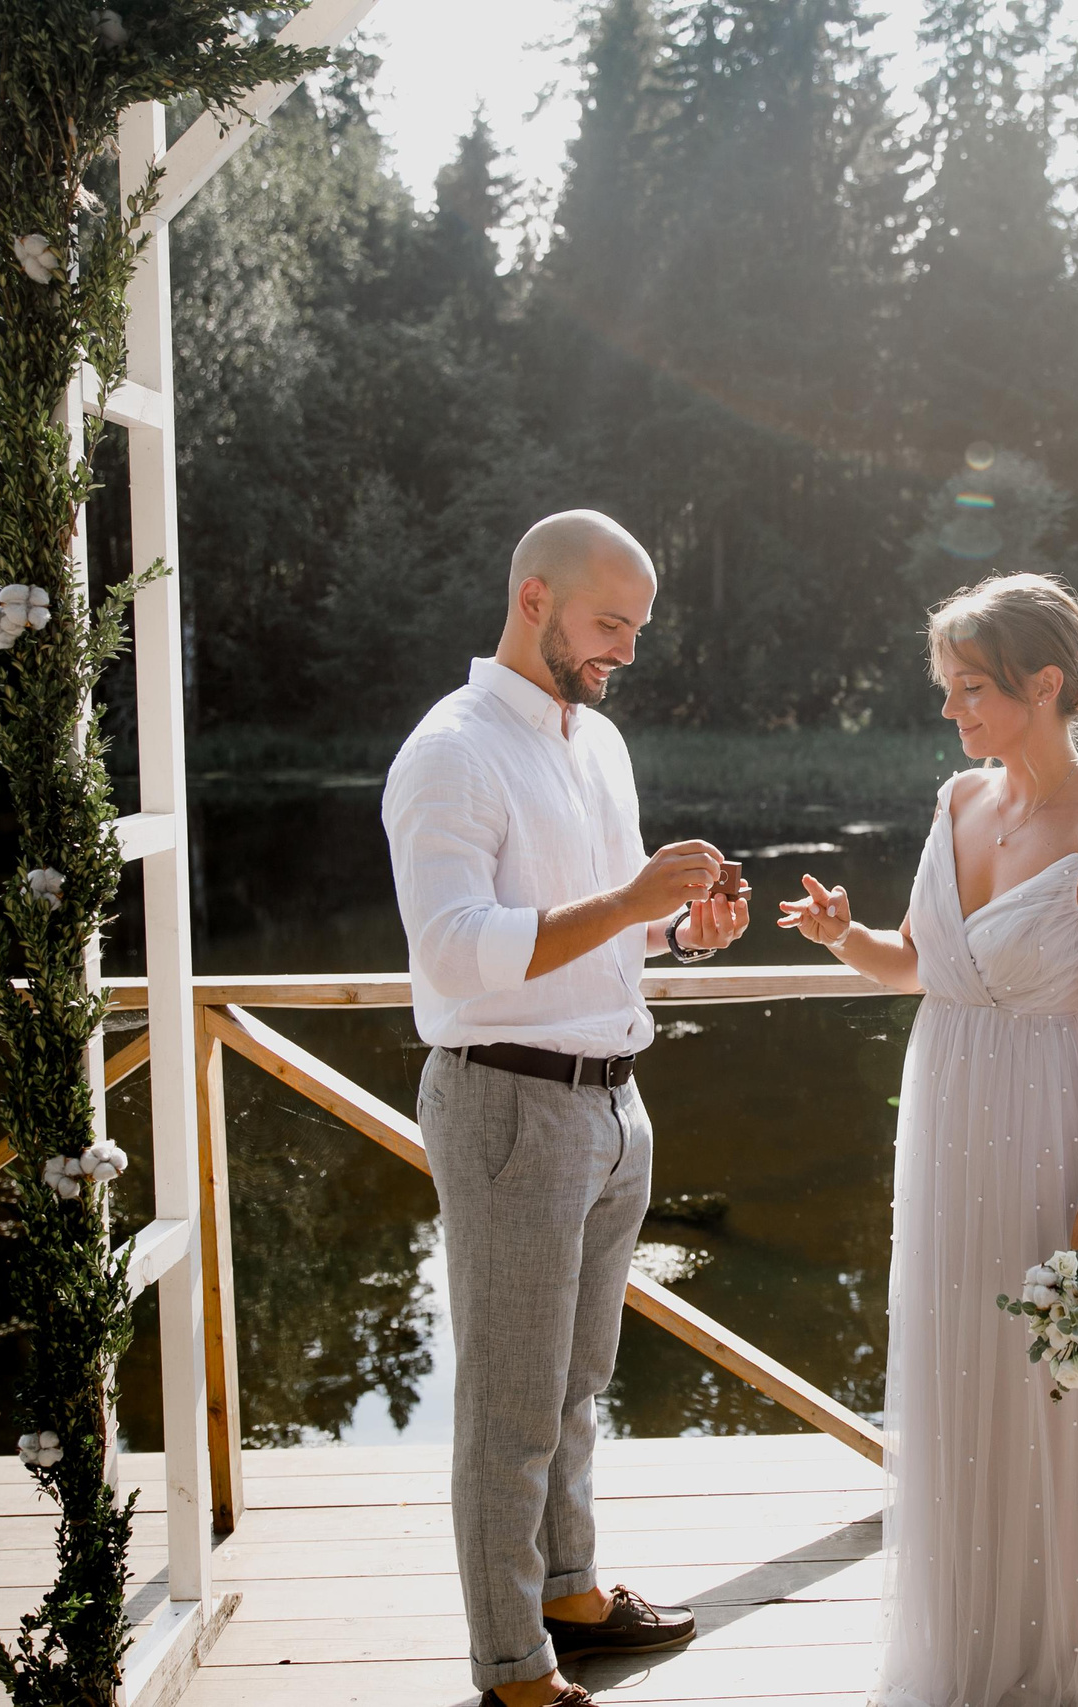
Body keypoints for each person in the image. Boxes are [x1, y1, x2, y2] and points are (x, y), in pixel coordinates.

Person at [382, 510, 748, 1707]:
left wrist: (678, 930)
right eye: (609, 625)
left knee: (576, 1382)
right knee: (508, 1405)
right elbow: (453, 955)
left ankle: (569, 1595)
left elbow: (612, 926)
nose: (626, 652)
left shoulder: (597, 745)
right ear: (533, 598)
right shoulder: (449, 750)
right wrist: (632, 898)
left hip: (610, 1103)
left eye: (637, 630)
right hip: (507, 1106)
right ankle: (512, 1672)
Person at [780, 573, 1078, 1707]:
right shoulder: (956, 802)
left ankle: (1046, 1661)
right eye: (947, 690)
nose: (953, 713)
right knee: (952, 1375)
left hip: (1047, 1136)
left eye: (971, 691)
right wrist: (844, 938)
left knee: (1041, 1393)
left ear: (1044, 686)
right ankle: (956, 1649)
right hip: (943, 1120)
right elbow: (921, 966)